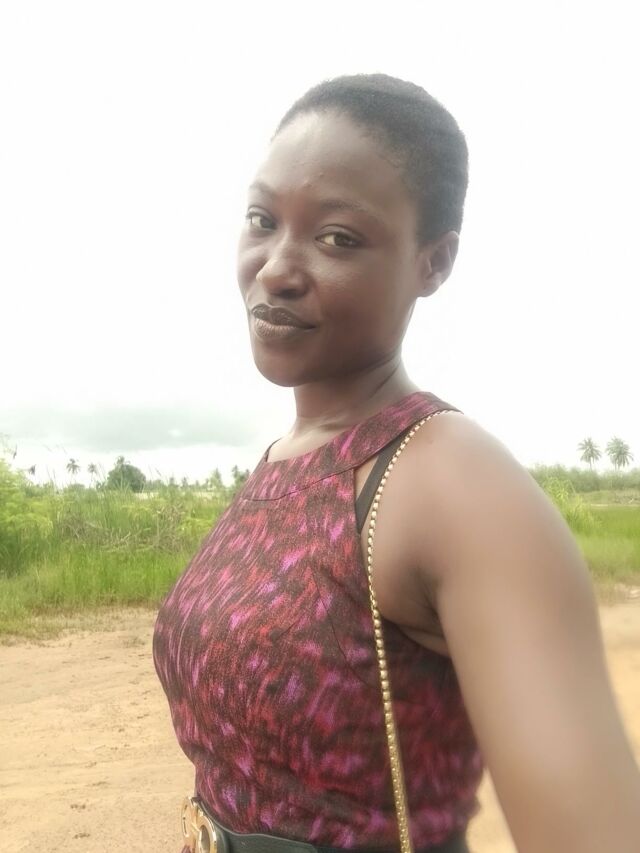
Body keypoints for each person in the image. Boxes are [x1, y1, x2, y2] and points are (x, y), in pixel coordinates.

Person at [153, 74, 640, 853]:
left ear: (433, 262)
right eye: (262, 220)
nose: (276, 266)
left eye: (338, 237)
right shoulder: (281, 462)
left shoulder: (450, 482)